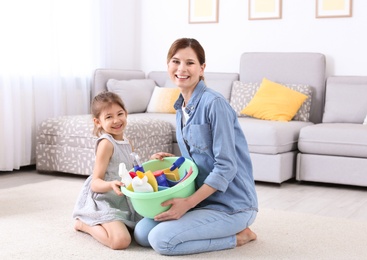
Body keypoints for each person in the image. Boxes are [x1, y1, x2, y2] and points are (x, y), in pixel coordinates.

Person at [134, 38, 258, 255]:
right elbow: (199, 157)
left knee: (161, 240)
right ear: (168, 65)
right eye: (176, 61)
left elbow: (226, 167)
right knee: (142, 234)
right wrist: (175, 160)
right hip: (203, 201)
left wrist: (188, 203)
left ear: (202, 69)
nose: (182, 69)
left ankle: (240, 236)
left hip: (233, 205)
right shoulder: (181, 107)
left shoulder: (215, 104)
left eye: (190, 63)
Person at [72, 91, 142, 250]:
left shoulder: (127, 142)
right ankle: (84, 225)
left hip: (124, 200)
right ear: (98, 122)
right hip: (105, 200)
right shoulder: (106, 143)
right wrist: (111, 185)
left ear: (126, 114)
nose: (116, 120)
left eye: (120, 114)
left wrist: (153, 158)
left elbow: (134, 170)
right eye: (109, 117)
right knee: (120, 241)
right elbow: (95, 183)